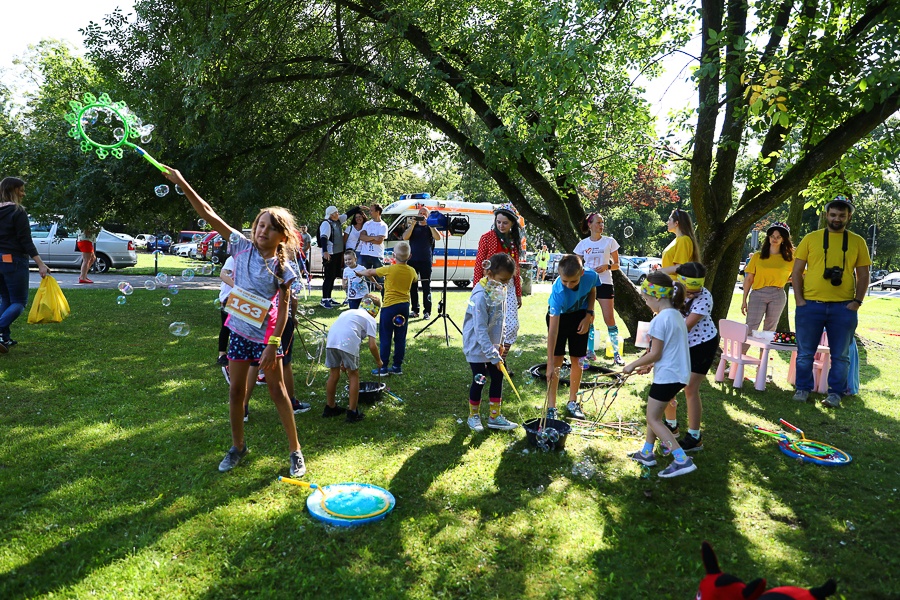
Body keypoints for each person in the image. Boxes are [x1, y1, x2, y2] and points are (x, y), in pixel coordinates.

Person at [161, 165, 307, 478]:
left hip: (266, 340)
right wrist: (182, 181)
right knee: (236, 393)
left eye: (269, 227)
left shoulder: (281, 267)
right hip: (239, 333)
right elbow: (208, 212)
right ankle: (238, 446)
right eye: (258, 224)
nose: (261, 231)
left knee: (278, 393)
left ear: (283, 235)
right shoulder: (241, 246)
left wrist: (273, 344)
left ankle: (295, 450)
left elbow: (282, 309)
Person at [791, 196, 870, 408]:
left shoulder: (857, 241)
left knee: (841, 355)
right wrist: (800, 300)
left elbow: (864, 275)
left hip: (843, 307)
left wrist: (857, 302)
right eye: (833, 214)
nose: (837, 219)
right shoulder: (811, 238)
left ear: (849, 217)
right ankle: (802, 389)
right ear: (826, 215)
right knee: (805, 352)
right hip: (810, 306)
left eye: (842, 215)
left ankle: (835, 393)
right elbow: (797, 271)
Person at [623, 271, 697, 478]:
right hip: (678, 374)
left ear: (656, 296)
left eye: (646, 299)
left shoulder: (659, 320)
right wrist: (648, 365)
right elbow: (666, 350)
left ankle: (681, 459)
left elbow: (656, 352)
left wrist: (633, 364)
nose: (646, 303)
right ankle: (647, 452)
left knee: (653, 418)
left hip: (668, 376)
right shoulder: (676, 315)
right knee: (653, 413)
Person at [661, 262, 719, 453]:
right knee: (669, 383)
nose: (693, 294)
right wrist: (676, 269)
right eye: (690, 290)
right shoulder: (674, 287)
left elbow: (685, 327)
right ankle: (671, 426)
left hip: (702, 344)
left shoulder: (705, 297)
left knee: (690, 388)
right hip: (678, 342)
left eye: (696, 290)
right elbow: (656, 275)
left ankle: (694, 437)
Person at [463, 253, 519, 432]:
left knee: (497, 377)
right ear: (489, 273)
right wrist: (491, 353)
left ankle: (494, 417)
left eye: (508, 281)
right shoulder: (480, 295)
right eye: (502, 280)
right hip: (477, 347)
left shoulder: (499, 290)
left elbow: (500, 320)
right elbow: (480, 329)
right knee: (479, 380)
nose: (505, 284)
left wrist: (500, 343)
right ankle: (473, 416)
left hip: (493, 347)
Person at [0, 177, 50, 352]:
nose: (23, 193)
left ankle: (3, 339)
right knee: (19, 302)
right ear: (12, 191)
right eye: (21, 190)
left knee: (5, 299)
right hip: (13, 260)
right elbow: (26, 241)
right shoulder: (17, 212)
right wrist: (41, 264)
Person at [544, 254, 598, 419]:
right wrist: (550, 362)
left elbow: (592, 290)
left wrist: (589, 314)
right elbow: (553, 332)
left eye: (573, 282)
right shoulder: (558, 293)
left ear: (581, 273)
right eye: (564, 281)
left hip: (580, 317)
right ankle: (551, 407)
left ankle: (573, 402)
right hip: (559, 318)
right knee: (557, 360)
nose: (568, 285)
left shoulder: (591, 275)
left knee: (578, 359)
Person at [473, 203, 523, 360]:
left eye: (505, 222)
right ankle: (492, 360)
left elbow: (516, 268)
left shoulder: (514, 241)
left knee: (512, 326)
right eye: (498, 221)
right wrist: (477, 287)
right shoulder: (487, 237)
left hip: (508, 286)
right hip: (490, 284)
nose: (501, 225)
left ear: (513, 223)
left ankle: (502, 359)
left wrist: (519, 292)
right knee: (493, 325)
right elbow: (479, 263)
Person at [323, 294, 383, 423]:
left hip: (331, 341)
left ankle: (330, 407)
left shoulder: (348, 312)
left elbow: (343, 331)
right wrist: (379, 360)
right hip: (347, 342)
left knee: (334, 374)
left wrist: (343, 361)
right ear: (375, 310)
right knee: (353, 374)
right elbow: (372, 345)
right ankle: (352, 412)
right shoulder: (370, 319)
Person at [574, 212, 624, 366]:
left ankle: (617, 354)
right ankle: (590, 352)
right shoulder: (582, 244)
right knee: (588, 317)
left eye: (602, 223)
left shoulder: (610, 241)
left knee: (609, 318)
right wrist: (583, 271)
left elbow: (617, 265)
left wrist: (607, 266)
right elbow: (575, 264)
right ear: (590, 225)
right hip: (587, 284)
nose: (601, 226)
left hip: (605, 283)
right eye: (598, 223)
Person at [362, 240, 417, 376]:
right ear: (410, 256)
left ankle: (383, 367)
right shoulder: (412, 271)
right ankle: (397, 366)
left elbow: (370, 272)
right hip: (404, 307)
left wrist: (360, 273)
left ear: (393, 255)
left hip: (389, 307)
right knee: (400, 337)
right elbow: (415, 279)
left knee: (386, 337)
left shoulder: (389, 269)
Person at [742, 222, 794, 333]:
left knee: (770, 329)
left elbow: (801, 274)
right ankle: (742, 351)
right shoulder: (757, 256)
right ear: (768, 238)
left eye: (778, 237)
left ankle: (764, 351)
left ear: (783, 239)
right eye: (772, 236)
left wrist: (786, 280)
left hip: (777, 294)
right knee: (750, 327)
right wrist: (744, 300)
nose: (774, 239)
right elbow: (749, 279)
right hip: (758, 293)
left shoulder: (789, 259)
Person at [319, 205, 361, 309]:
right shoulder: (326, 223)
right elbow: (324, 238)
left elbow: (347, 214)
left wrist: (358, 208)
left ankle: (329, 298)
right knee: (328, 277)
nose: (338, 214)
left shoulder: (337, 221)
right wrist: (325, 251)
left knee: (333, 276)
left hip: (337, 253)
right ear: (331, 214)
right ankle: (324, 299)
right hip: (330, 253)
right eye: (336, 212)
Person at [403, 206, 441, 319]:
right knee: (413, 287)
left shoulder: (430, 227)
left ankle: (427, 311)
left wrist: (429, 224)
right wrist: (413, 224)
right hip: (412, 260)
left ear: (428, 215)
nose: (422, 215)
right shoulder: (413, 227)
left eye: (424, 213)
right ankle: (415, 310)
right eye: (420, 213)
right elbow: (405, 237)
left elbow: (438, 237)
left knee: (426, 286)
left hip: (425, 260)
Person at [358, 203, 389, 293]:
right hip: (365, 254)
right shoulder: (367, 224)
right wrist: (374, 237)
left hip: (377, 255)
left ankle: (385, 299)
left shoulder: (383, 225)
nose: (370, 212)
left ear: (378, 212)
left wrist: (368, 239)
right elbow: (361, 237)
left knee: (380, 278)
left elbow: (379, 241)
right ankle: (366, 300)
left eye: (371, 210)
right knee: (365, 278)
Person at [661, 208, 701, 273]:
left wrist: (660, 271)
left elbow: (680, 267)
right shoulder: (677, 240)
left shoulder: (684, 240)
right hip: (668, 281)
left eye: (669, 220)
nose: (667, 222)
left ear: (676, 223)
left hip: (675, 282)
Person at [217, 254, 236, 379]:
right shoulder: (233, 259)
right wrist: (238, 287)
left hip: (241, 298)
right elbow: (223, 274)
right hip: (229, 297)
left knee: (237, 329)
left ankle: (235, 355)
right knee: (226, 327)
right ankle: (222, 355)